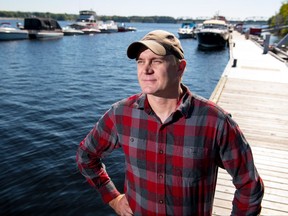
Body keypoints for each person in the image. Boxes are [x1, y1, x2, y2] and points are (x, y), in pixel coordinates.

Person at [76, 30, 264, 215]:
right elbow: (86, 156)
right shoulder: (121, 113)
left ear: (180, 68)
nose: (146, 69)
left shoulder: (215, 121)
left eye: (156, 61)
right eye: (140, 61)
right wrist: (113, 198)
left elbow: (249, 185)